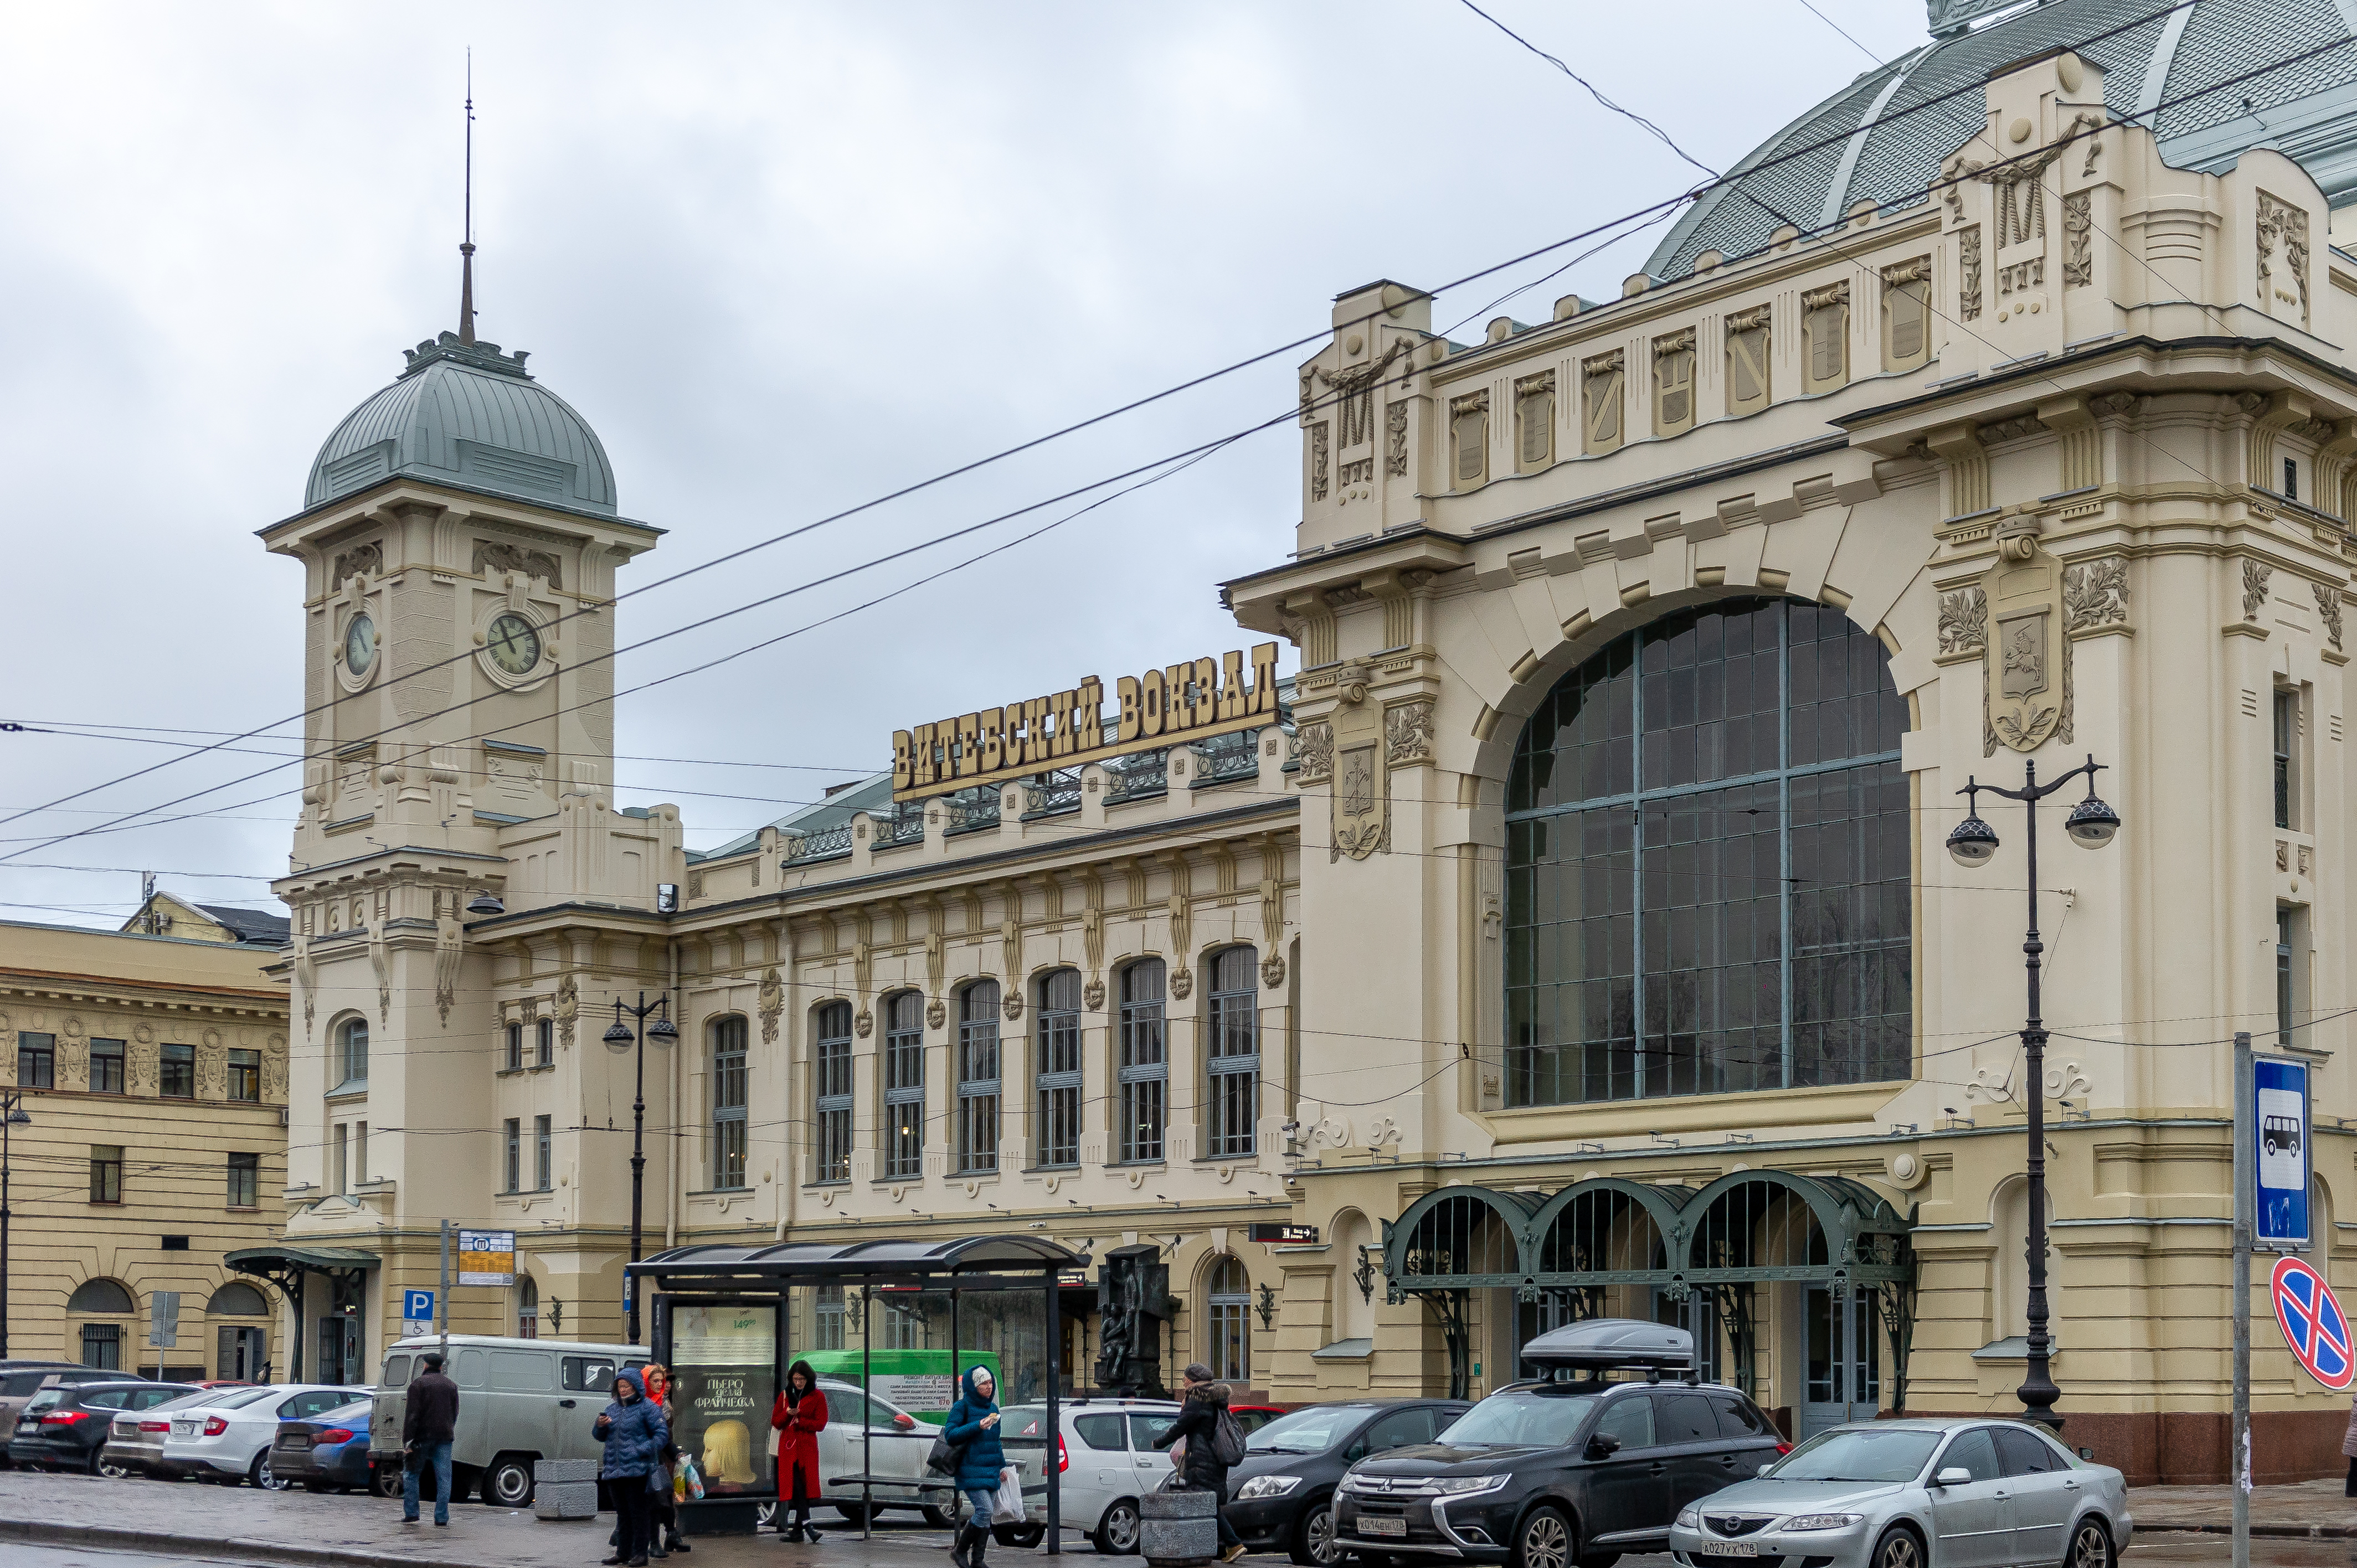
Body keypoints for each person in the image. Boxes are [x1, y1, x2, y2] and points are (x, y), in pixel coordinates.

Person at [1155, 1363, 1245, 1564]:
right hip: (1215, 1460)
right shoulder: (1213, 1398)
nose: (1183, 1381)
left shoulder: (1197, 1399)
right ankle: (1226, 1545)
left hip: (1203, 1461)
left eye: (1186, 1377)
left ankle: (1231, 1544)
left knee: (1205, 1504)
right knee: (1208, 1504)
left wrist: (1159, 1442)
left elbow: (1181, 1426)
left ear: (1194, 1379)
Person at [595, 1368, 672, 1568]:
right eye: (619, 1386)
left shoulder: (648, 1408)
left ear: (636, 1386)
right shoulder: (611, 1409)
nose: (622, 1390)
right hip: (614, 1469)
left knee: (639, 1513)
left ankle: (640, 1554)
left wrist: (643, 1448)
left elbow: (662, 1434)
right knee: (622, 1513)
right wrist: (599, 1426)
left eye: (626, 1386)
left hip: (639, 1469)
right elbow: (599, 1436)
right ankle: (623, 1552)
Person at [941, 1365, 1008, 1568]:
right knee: (984, 1509)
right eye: (982, 1384)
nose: (988, 1388)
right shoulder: (962, 1407)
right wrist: (977, 1426)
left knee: (987, 1516)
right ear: (973, 1386)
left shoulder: (993, 1409)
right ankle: (960, 1551)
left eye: (989, 1383)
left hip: (990, 1469)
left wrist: (1002, 1467)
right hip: (969, 1469)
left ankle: (978, 1560)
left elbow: (996, 1442)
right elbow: (950, 1435)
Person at [769, 1359, 830, 1543]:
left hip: (807, 1448)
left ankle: (797, 1531)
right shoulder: (786, 1395)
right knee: (796, 1488)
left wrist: (801, 1421)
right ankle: (809, 1527)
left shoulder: (818, 1396)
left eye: (802, 1378)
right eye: (796, 1378)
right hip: (788, 1448)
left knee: (805, 1489)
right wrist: (788, 1413)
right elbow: (776, 1422)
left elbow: (821, 1423)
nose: (799, 1382)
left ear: (808, 1378)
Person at [400, 1349, 460, 1528]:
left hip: (421, 1437)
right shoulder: (451, 1386)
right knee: (444, 1478)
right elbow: (455, 1412)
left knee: (411, 1473)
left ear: (426, 1365)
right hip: (445, 1436)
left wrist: (408, 1440)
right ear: (441, 1367)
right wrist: (448, 1427)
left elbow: (412, 1415)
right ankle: (441, 1517)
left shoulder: (418, 1385)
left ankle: (412, 1513)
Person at [641, 1364, 691, 1559]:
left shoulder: (663, 1402)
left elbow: (665, 1436)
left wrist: (676, 1452)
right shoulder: (640, 1403)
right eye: (659, 1381)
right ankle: (645, 1541)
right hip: (643, 1460)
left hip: (661, 1458)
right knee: (649, 1501)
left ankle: (670, 1534)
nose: (664, 1385)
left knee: (665, 1497)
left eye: (666, 1381)